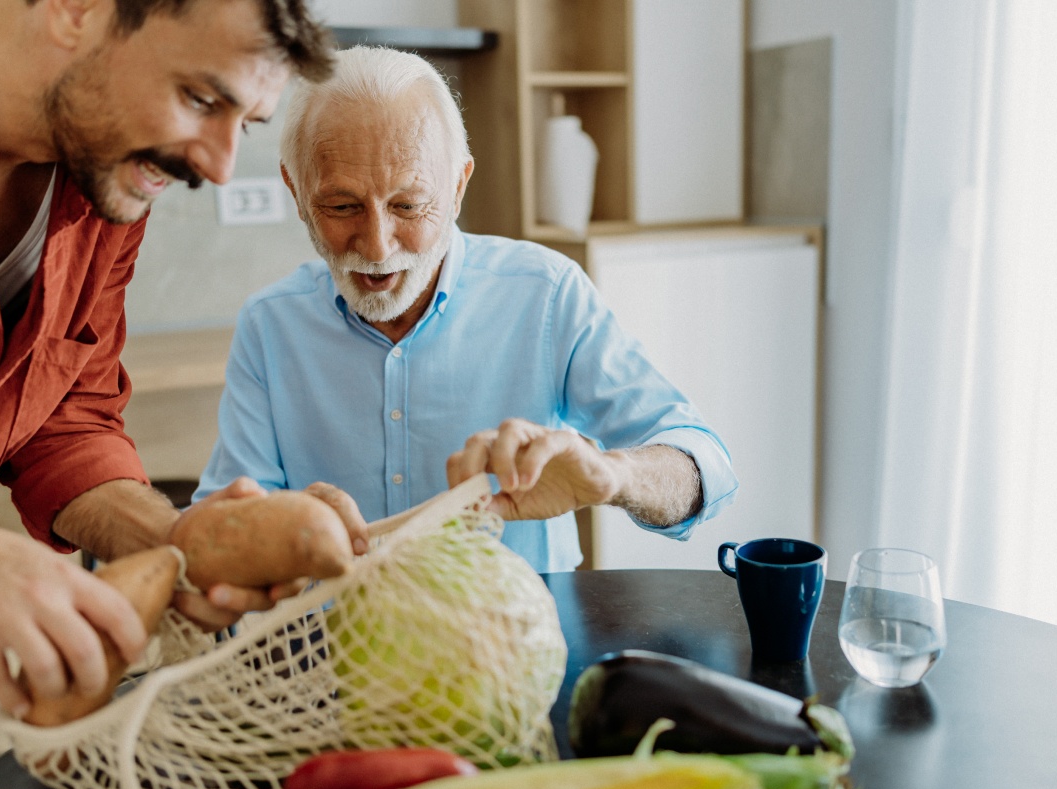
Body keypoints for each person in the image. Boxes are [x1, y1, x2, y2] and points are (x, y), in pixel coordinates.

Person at [0, 0, 366, 784]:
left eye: (247, 123)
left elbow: (66, 413)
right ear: (74, 10)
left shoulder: (106, 164)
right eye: (201, 97)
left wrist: (170, 537)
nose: (222, 166)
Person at [193, 45, 738, 574]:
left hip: (520, 647)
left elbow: (704, 465)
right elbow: (217, 531)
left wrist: (614, 476)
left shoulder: (544, 293)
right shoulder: (271, 326)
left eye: (408, 205)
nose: (378, 246)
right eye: (341, 206)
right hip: (338, 654)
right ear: (296, 190)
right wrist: (271, 528)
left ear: (457, 188)